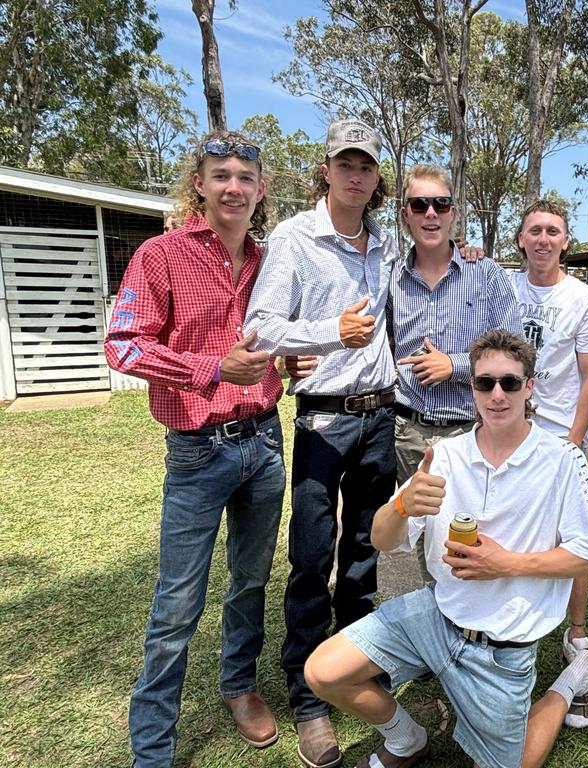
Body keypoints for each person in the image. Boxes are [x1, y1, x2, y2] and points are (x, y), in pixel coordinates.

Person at [303, 329, 588, 768]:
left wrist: (507, 564)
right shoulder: (445, 456)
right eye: (485, 383)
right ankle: (406, 739)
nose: (497, 394)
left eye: (509, 382)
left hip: (502, 649)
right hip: (437, 617)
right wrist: (403, 507)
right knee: (322, 672)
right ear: (473, 389)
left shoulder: (562, 460)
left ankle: (572, 678)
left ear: (530, 386)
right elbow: (381, 540)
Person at [105, 131, 285, 768]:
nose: (233, 186)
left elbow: (276, 339)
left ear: (260, 189)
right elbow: (123, 343)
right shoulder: (161, 255)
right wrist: (212, 370)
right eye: (220, 175)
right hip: (197, 450)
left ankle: (239, 686)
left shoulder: (270, 260)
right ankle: (153, 747)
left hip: (265, 441)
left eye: (245, 177)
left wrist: (296, 360)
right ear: (200, 185)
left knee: (249, 582)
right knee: (178, 602)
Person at [244, 118, 399, 768]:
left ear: (374, 180)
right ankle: (308, 697)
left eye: (366, 166)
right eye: (346, 164)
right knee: (311, 557)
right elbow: (259, 327)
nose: (356, 176)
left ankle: (353, 667)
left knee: (366, 555)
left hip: (380, 417)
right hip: (323, 419)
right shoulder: (293, 239)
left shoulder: (386, 244)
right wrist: (329, 333)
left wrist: (469, 253)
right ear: (327, 170)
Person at [509, 198, 588, 722]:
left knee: (572, 538)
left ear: (565, 241)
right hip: (509, 431)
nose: (543, 239)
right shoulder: (505, 287)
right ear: (521, 239)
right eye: (535, 231)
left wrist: (573, 440)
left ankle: (575, 633)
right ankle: (516, 620)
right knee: (518, 530)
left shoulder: (584, 300)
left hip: (560, 435)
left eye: (553, 231)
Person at [389, 164, 522, 487]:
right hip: (406, 435)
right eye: (420, 205)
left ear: (453, 213)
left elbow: (517, 353)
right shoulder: (391, 278)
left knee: (468, 531)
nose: (430, 213)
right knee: (414, 531)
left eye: (441, 204)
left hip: (471, 432)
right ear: (406, 213)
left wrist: (454, 365)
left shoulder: (486, 274)